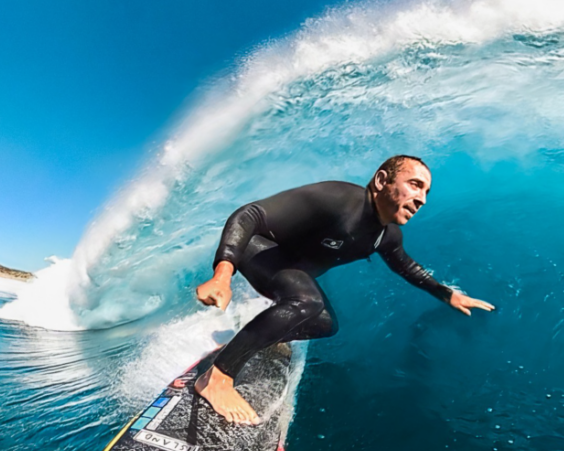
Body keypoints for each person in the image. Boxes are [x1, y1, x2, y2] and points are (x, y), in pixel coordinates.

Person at [191, 155, 494, 422]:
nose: (422, 199)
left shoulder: (386, 236)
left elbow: (406, 266)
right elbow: (250, 215)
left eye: (426, 192)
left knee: (325, 324)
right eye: (415, 185)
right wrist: (223, 275)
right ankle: (216, 379)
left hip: (289, 273)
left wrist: (447, 294)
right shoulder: (337, 199)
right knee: (307, 301)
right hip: (257, 250)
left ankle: (256, 339)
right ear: (381, 181)